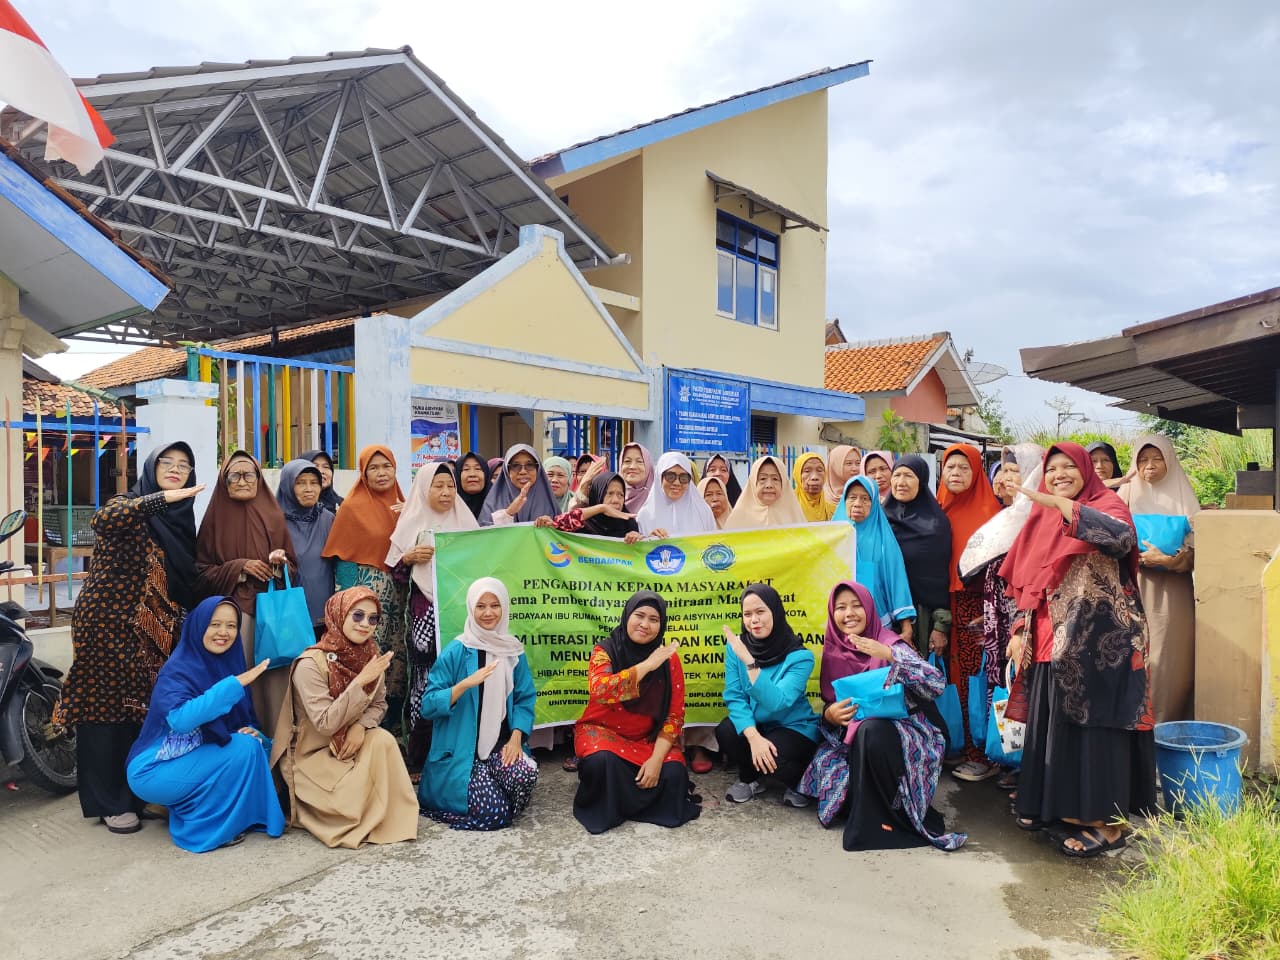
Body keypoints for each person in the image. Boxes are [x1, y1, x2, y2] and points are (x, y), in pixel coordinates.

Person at [1001, 443, 1156, 857]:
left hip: (1102, 646)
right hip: (1049, 639)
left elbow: (1121, 539)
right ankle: (1058, 809)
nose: (1059, 475)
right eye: (1052, 469)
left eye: (1069, 466)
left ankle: (1107, 826)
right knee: (1055, 728)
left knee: (1096, 732)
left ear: (1086, 470)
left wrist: (1064, 506)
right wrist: (1019, 629)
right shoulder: (1040, 516)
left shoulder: (1106, 504)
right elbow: (1028, 580)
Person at [57, 443, 203, 835]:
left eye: (184, 465)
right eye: (167, 463)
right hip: (105, 624)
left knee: (141, 709)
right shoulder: (128, 504)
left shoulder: (182, 519)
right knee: (103, 710)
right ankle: (108, 802)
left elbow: (187, 576)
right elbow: (103, 520)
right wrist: (159, 500)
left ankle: (135, 793)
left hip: (151, 631)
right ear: (151, 468)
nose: (175, 469)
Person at [798, 582, 966, 851]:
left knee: (871, 730)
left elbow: (935, 683)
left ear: (868, 608)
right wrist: (830, 714)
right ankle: (866, 808)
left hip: (906, 731)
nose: (849, 613)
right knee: (833, 771)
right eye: (841, 607)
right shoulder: (833, 649)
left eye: (856, 606)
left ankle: (889, 818)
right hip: (853, 740)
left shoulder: (888, 642)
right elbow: (832, 703)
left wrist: (888, 655)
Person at [126, 597, 285, 852]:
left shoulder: (229, 664)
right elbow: (181, 720)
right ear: (198, 626)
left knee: (249, 745)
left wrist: (255, 733)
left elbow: (242, 722)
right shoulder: (178, 670)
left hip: (191, 759)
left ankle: (201, 812)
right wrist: (234, 684)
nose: (224, 632)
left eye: (231, 626)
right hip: (152, 771)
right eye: (214, 624)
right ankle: (202, 828)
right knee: (244, 749)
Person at [270, 587, 419, 848]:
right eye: (357, 615)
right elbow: (325, 723)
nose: (365, 624)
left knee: (382, 739)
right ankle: (350, 810)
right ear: (338, 615)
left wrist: (361, 725)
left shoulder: (370, 656)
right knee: (348, 803)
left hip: (350, 745)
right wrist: (360, 682)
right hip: (313, 756)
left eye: (373, 619)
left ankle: (388, 814)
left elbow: (379, 703)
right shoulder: (310, 664)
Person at [572, 591, 701, 834]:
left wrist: (656, 760)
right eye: (639, 615)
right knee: (602, 763)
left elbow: (674, 716)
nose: (645, 624)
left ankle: (630, 796)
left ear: (661, 625)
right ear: (627, 616)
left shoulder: (669, 660)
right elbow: (601, 691)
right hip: (603, 733)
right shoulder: (605, 651)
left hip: (647, 739)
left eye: (654, 619)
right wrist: (647, 665)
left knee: (674, 772)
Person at [419, 579, 538, 830]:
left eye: (495, 605)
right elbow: (428, 705)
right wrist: (464, 685)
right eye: (481, 606)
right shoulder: (457, 650)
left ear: (504, 607)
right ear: (471, 608)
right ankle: (468, 802)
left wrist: (516, 739)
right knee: (495, 815)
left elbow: (524, 698)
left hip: (500, 746)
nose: (488, 613)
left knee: (524, 774)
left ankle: (492, 789)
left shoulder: (513, 651)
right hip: (464, 753)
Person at [196, 451, 297, 738]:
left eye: (248, 475)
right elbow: (200, 574)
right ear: (224, 481)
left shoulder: (273, 516)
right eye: (234, 476)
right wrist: (240, 568)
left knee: (272, 684)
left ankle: (276, 750)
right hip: (232, 615)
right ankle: (237, 744)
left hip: (270, 614)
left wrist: (278, 563)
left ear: (259, 478)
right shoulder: (214, 519)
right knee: (236, 680)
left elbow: (293, 567)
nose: (242, 481)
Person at [386, 462, 480, 769]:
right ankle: (422, 755)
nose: (446, 492)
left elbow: (485, 561)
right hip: (425, 611)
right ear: (424, 489)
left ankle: (460, 751)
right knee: (426, 681)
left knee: (462, 676)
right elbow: (396, 575)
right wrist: (409, 558)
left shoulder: (466, 522)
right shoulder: (411, 523)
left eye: (450, 486)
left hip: (461, 612)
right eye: (438, 486)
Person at [321, 445, 409, 733]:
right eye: (374, 468)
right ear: (364, 473)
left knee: (398, 655)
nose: (381, 473)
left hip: (401, 594)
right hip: (368, 594)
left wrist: (412, 514)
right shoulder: (352, 508)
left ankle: (394, 723)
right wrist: (350, 605)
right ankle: (362, 722)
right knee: (368, 653)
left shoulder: (406, 506)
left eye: (387, 466)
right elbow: (344, 560)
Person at [1118, 434, 1198, 723]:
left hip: (1172, 594)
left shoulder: (1184, 496)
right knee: (1132, 657)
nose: (1149, 465)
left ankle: (1166, 727)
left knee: (1170, 661)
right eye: (1142, 460)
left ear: (1170, 461)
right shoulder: (1125, 495)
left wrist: (1170, 561)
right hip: (1132, 589)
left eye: (1156, 458)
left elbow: (1200, 548)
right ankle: (1132, 730)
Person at [716, 584, 819, 805]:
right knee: (726, 731)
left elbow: (777, 702)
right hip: (759, 724)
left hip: (793, 726)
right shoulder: (736, 647)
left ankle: (803, 782)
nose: (754, 620)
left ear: (775, 611)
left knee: (774, 757)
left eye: (760, 611)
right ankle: (751, 779)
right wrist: (753, 737)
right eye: (747, 614)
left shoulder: (800, 657)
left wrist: (750, 662)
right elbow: (734, 696)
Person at [936, 443, 1002, 781]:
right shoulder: (938, 508)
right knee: (953, 677)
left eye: (964, 467)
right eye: (950, 467)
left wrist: (987, 612)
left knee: (980, 679)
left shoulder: (992, 514)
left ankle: (985, 753)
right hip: (946, 605)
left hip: (980, 605)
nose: (956, 473)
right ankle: (961, 744)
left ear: (977, 472)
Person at [883, 455, 953, 659]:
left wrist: (940, 626)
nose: (901, 482)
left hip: (922, 619)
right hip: (883, 614)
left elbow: (940, 579)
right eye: (897, 475)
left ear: (921, 481)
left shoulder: (935, 525)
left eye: (908, 476)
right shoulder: (880, 520)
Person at [832, 476, 916, 635]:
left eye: (865, 499)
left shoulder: (884, 540)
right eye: (852, 497)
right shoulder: (832, 536)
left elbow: (896, 579)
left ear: (874, 504)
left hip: (877, 623)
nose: (857, 503)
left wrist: (906, 626)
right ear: (844, 501)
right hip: (840, 622)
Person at [277, 458, 336, 632]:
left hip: (325, 613)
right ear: (287, 486)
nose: (309, 489)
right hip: (287, 613)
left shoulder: (328, 519)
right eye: (300, 483)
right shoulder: (274, 521)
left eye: (314, 483)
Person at [536, 471, 642, 542]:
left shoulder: (629, 523)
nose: (616, 500)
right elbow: (558, 524)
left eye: (620, 495)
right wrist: (601, 508)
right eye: (609, 494)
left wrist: (636, 538)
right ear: (597, 495)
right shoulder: (584, 523)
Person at [636, 452, 717, 536]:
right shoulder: (645, 515)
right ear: (660, 477)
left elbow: (713, 542)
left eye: (683, 478)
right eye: (670, 476)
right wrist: (650, 539)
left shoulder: (703, 512)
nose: (677, 483)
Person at [479, 444, 561, 525]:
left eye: (529, 465)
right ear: (507, 471)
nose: (523, 471)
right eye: (515, 466)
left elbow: (561, 530)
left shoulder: (548, 501)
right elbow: (484, 531)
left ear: (538, 469)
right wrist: (508, 513)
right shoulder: (493, 502)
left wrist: (552, 526)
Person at [724, 455, 807, 529]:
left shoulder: (795, 517)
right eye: (763, 479)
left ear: (784, 483)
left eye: (775, 479)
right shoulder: (738, 518)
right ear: (753, 483)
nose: (769, 485)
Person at [792, 451, 834, 522]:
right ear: (798, 475)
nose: (814, 477)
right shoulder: (787, 509)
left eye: (819, 470)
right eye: (807, 471)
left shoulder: (833, 512)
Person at [618, 443, 655, 514]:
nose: (632, 467)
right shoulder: (609, 496)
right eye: (627, 461)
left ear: (648, 466)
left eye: (639, 462)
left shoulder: (657, 499)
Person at [455, 452, 493, 521]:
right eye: (466, 469)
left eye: (478, 469)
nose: (472, 474)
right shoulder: (449, 505)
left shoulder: (497, 503)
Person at [823, 444, 861, 511]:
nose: (855, 468)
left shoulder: (866, 493)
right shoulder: (820, 498)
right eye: (849, 463)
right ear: (835, 466)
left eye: (858, 463)